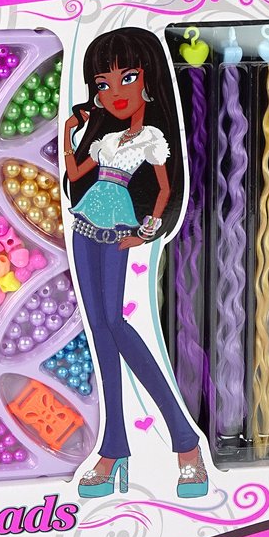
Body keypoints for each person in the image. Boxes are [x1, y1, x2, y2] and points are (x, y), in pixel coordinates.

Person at [63, 26, 207, 499]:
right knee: (99, 330)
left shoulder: (152, 138)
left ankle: (184, 439)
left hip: (120, 228)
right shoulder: (105, 140)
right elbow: (76, 173)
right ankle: (114, 446)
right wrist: (69, 131)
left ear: (148, 79)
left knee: (114, 321)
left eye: (127, 77)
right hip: (84, 224)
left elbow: (165, 189)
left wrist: (147, 230)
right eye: (103, 84)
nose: (115, 93)